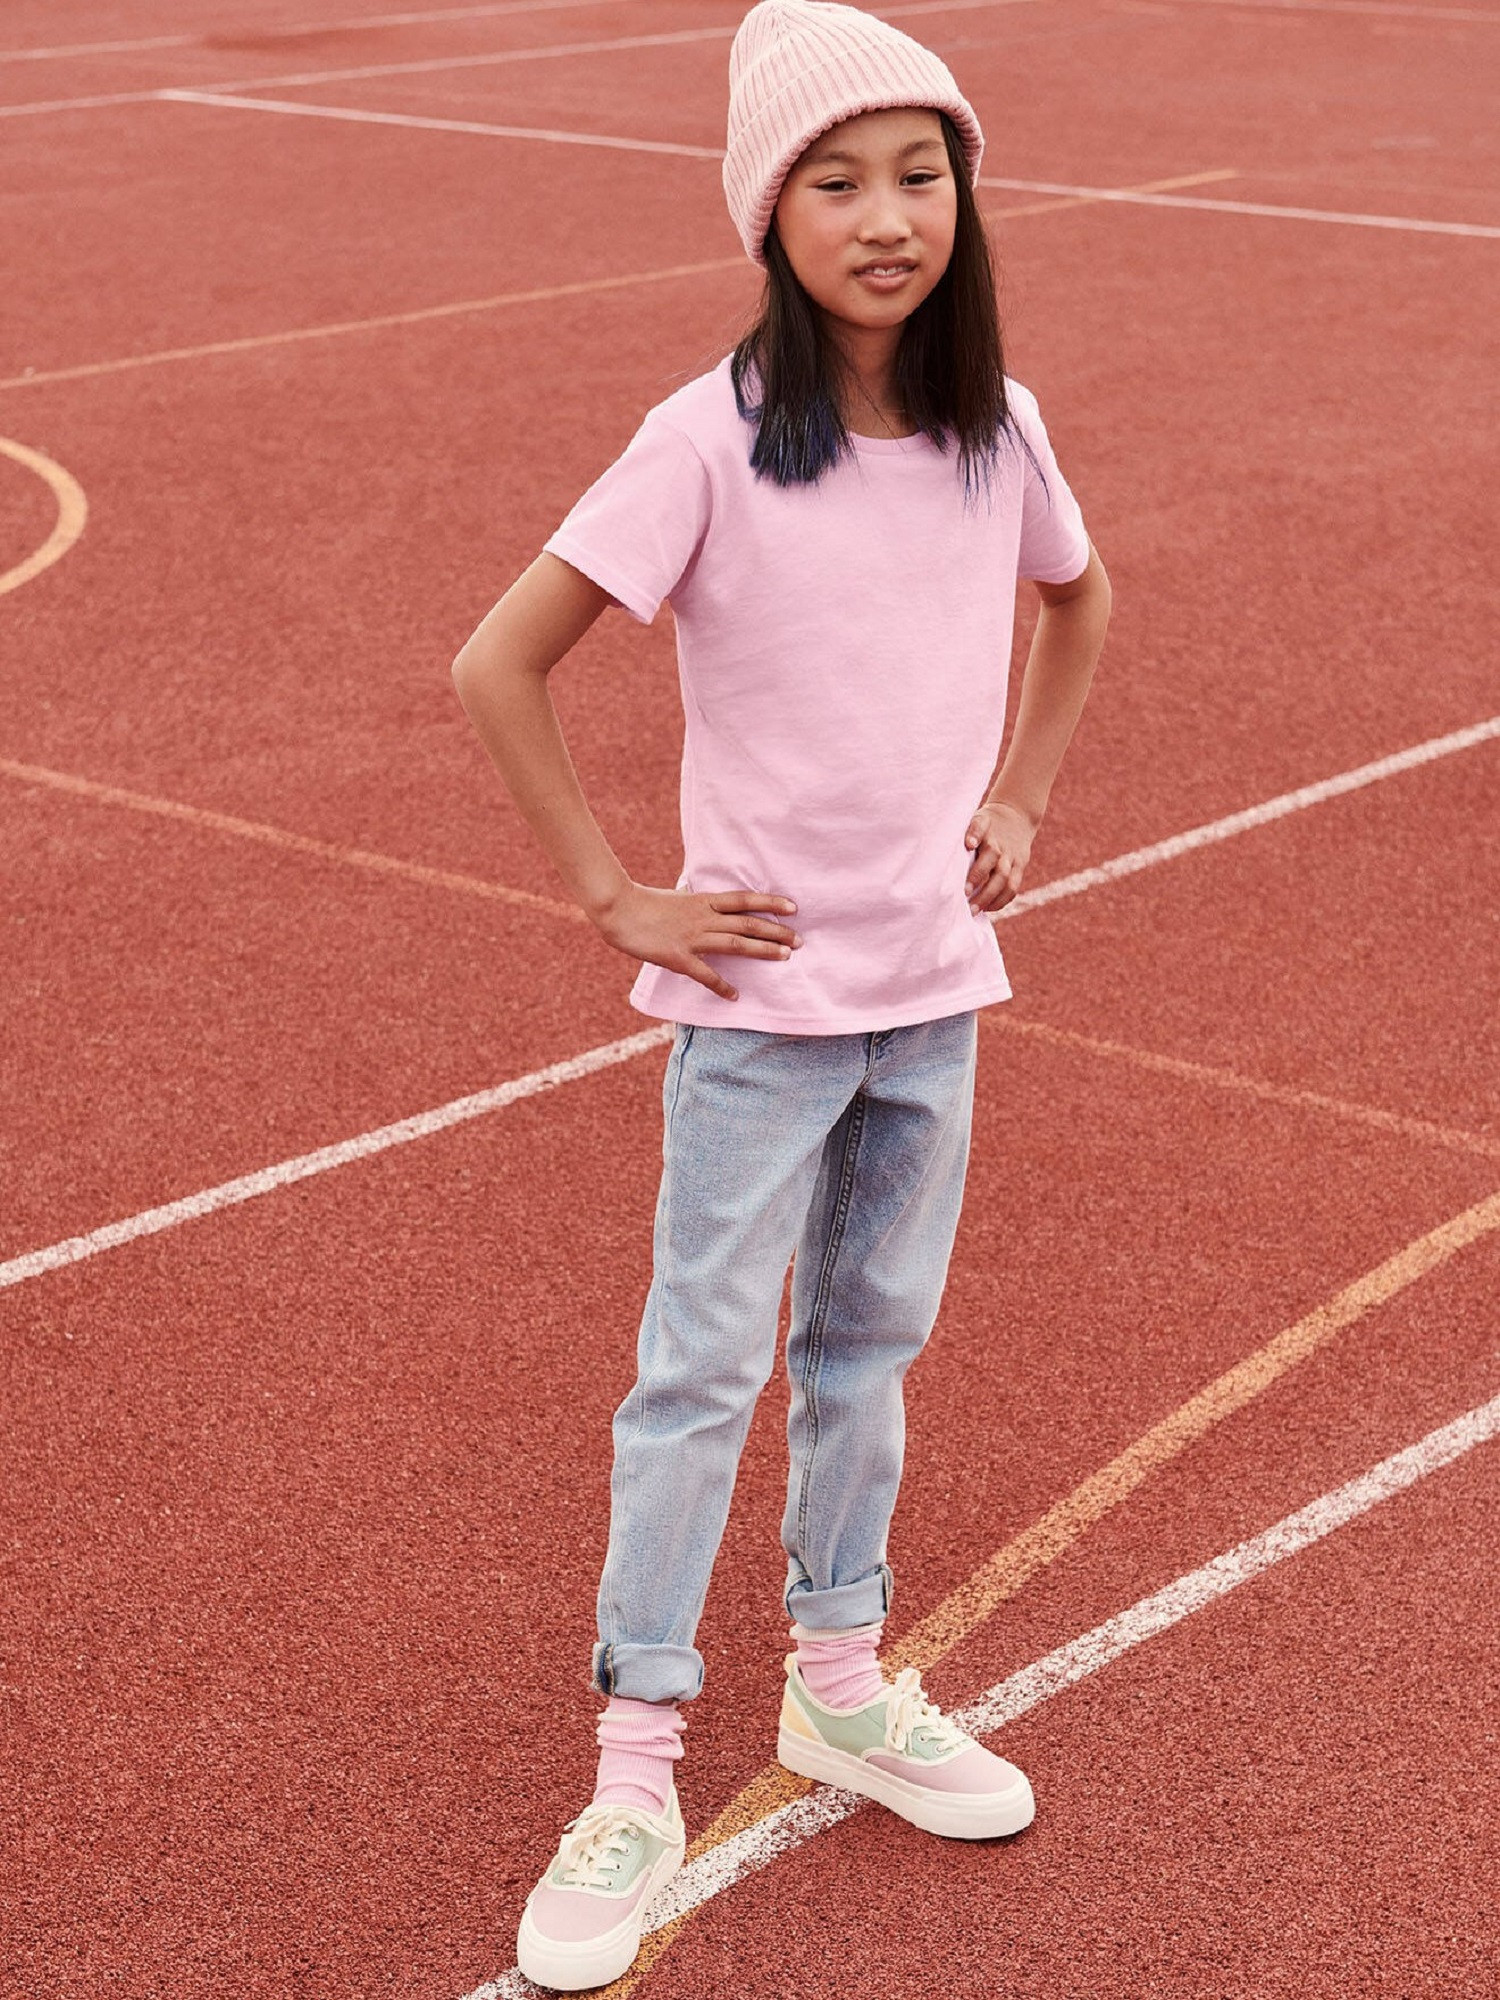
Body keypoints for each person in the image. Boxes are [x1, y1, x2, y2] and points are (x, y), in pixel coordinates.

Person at [452, 0, 1112, 1986]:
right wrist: (613, 895)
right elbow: (502, 659)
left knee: (865, 1357)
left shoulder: (1002, 428)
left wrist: (1021, 792)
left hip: (933, 998)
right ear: (771, 214)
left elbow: (1079, 599)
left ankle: (838, 1673)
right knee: (698, 1377)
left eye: (920, 173)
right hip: (757, 1022)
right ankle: (636, 1759)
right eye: (837, 181)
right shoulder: (709, 439)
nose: (888, 214)